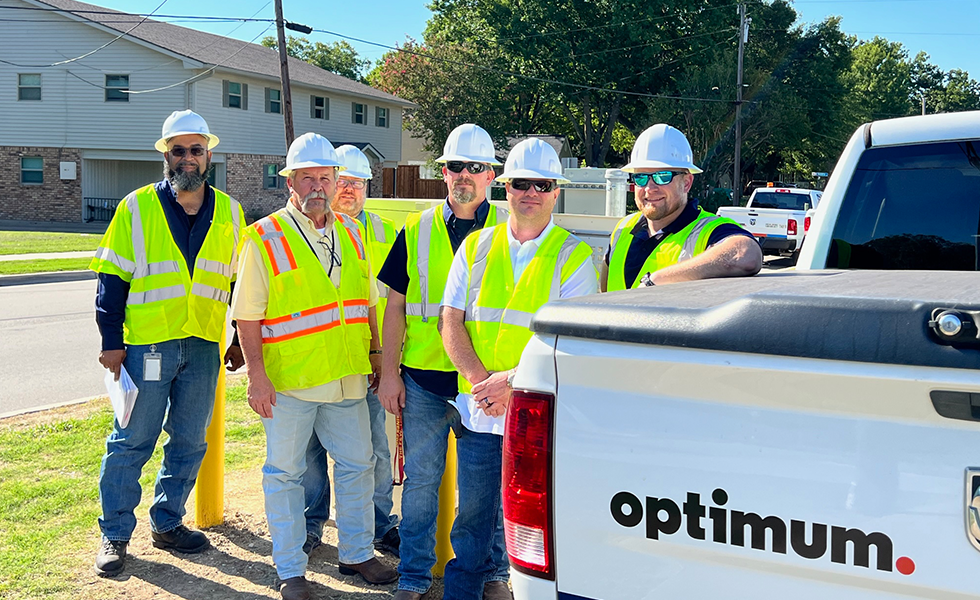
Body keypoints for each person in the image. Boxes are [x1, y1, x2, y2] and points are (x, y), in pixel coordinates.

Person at [232, 133, 397, 600]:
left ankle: (357, 552)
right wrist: (257, 378)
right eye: (308, 177)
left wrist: (378, 361)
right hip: (291, 381)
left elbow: (367, 306)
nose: (318, 186)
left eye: (325, 177)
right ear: (291, 182)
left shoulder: (351, 234)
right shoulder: (264, 236)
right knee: (284, 474)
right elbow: (247, 314)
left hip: (346, 376)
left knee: (358, 465)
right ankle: (290, 569)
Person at [90, 109, 246, 577]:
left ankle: (167, 522)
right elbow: (110, 279)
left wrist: (237, 336)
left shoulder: (231, 212)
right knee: (132, 440)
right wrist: (111, 342)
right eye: (178, 150)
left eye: (196, 150)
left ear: (208, 155)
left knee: (189, 442)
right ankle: (115, 534)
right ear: (166, 156)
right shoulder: (136, 207)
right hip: (148, 347)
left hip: (202, 347)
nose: (187, 159)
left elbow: (242, 284)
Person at [440, 138, 597, 600]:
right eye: (521, 183)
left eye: (542, 184)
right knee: (470, 519)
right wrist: (480, 385)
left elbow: (569, 342)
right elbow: (451, 320)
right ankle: (463, 593)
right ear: (504, 188)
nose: (531, 192)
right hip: (479, 410)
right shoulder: (475, 246)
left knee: (531, 525)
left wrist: (509, 384)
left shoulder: (576, 256)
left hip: (534, 418)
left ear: (556, 192)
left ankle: (514, 590)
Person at [376, 124, 509, 600]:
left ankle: (492, 573)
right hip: (425, 383)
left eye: (475, 168)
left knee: (483, 494)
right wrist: (388, 373)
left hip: (485, 386)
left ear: (491, 174)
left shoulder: (511, 230)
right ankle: (413, 576)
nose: (464, 177)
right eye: (456, 167)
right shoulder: (415, 229)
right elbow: (394, 307)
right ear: (443, 172)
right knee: (419, 487)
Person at [301, 144, 401, 557]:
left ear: (367, 188)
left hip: (368, 360)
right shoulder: (304, 230)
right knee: (311, 450)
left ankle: (379, 523)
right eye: (341, 182)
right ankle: (312, 523)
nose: (348, 191)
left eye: (357, 184)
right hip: (314, 358)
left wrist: (387, 359)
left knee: (375, 448)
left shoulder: (385, 233)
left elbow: (397, 301)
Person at [600, 124, 762, 291]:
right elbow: (604, 292)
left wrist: (656, 280)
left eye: (662, 176)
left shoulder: (707, 230)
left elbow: (745, 253)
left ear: (686, 183)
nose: (649, 187)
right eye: (641, 177)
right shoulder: (624, 228)